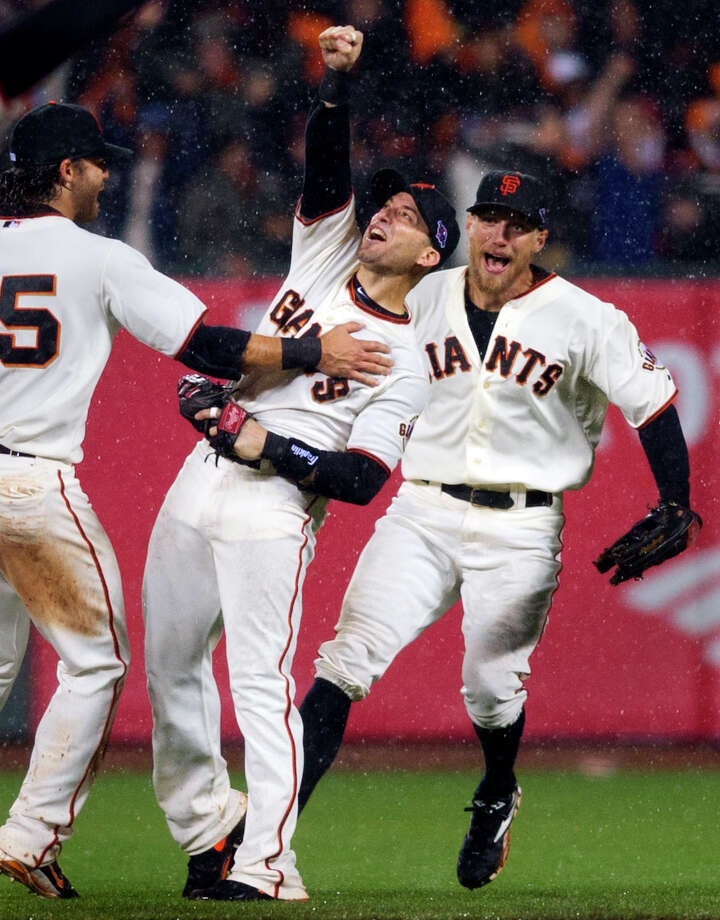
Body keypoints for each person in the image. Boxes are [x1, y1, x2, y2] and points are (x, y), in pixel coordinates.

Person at [0, 99, 390, 900]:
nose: (107, 175)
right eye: (98, 162)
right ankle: (32, 834)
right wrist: (314, 349)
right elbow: (206, 346)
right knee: (98, 660)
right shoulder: (94, 256)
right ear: (67, 171)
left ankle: (203, 828)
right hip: (29, 483)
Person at [295, 168, 700, 891]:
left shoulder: (585, 316)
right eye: (489, 216)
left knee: (489, 690)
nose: (500, 233)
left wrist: (677, 497)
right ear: (471, 226)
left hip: (522, 526)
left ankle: (496, 790)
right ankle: (269, 832)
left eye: (517, 223)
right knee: (343, 664)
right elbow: (341, 344)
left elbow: (655, 401)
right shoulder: (423, 294)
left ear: (540, 238)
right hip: (421, 510)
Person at [142, 24, 459, 903]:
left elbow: (360, 481)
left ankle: (267, 863)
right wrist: (335, 84)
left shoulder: (406, 361)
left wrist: (261, 444)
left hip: (274, 508)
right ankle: (212, 834)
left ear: (431, 255)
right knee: (168, 669)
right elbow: (327, 167)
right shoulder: (324, 251)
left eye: (406, 216)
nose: (385, 211)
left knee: (257, 683)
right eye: (385, 203)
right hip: (199, 478)